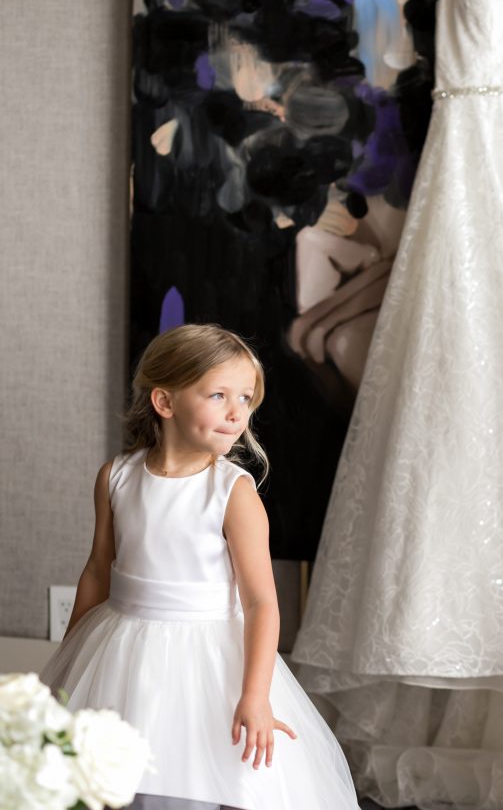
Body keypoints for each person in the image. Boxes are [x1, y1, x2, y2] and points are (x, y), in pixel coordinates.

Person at [40, 323, 360, 810]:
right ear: (165, 403)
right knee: (112, 778)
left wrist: (255, 696)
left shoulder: (232, 492)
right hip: (121, 646)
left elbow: (260, 602)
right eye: (218, 395)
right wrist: (68, 663)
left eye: (246, 399)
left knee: (195, 776)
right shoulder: (117, 476)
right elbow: (98, 571)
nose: (238, 413)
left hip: (207, 656)